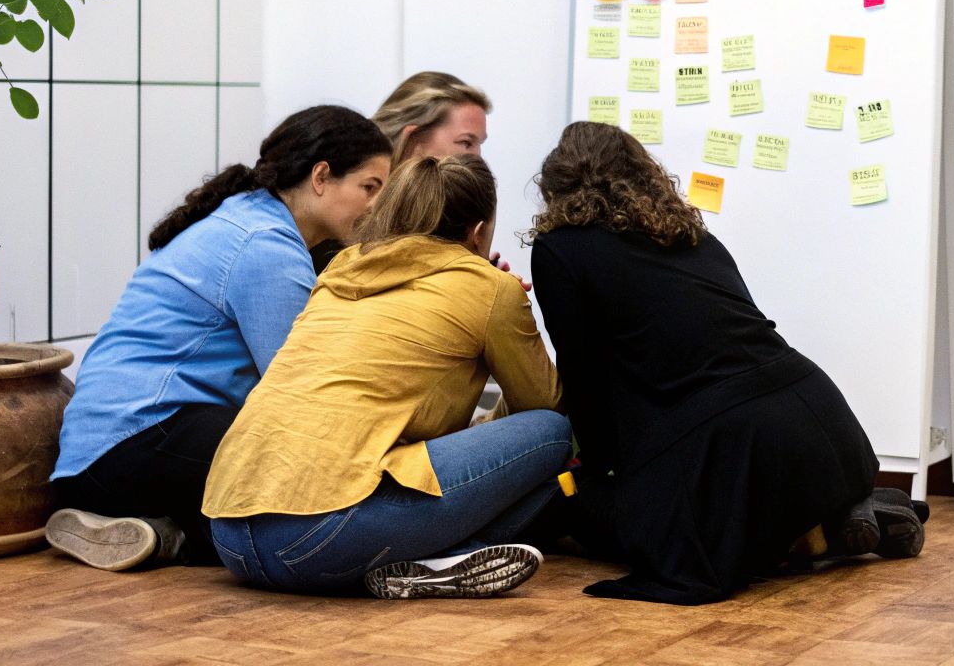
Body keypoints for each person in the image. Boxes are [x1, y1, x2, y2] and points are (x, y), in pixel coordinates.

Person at [526, 121, 925, 605]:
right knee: (726, 516)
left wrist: (600, 468)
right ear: (643, 175)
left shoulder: (559, 249)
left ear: (556, 189)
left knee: (585, 508)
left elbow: (582, 372)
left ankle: (822, 532)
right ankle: (834, 519)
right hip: (825, 428)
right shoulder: (692, 235)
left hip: (732, 448)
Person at [202, 154, 569, 599]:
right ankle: (445, 559)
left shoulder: (344, 266)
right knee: (552, 436)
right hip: (316, 542)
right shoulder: (489, 287)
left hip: (228, 534)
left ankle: (433, 562)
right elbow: (541, 405)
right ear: (477, 232)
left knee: (534, 482)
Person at [46, 105, 393, 571]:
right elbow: (300, 390)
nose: (376, 206)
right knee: (310, 510)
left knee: (284, 507)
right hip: (134, 445)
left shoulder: (247, 217)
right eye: (369, 188)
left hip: (95, 460)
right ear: (321, 176)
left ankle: (159, 535)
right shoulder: (266, 245)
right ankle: (168, 531)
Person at [310, 71, 499, 274]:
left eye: (479, 144)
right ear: (412, 139)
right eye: (465, 143)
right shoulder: (351, 207)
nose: (477, 158)